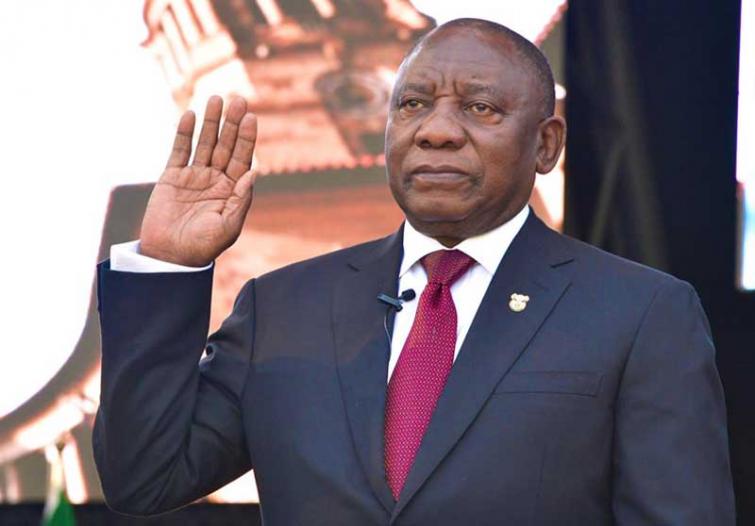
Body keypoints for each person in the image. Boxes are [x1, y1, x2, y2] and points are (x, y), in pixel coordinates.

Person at [94, 18, 735, 525]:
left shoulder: (640, 313)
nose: (436, 131)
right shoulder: (281, 308)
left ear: (546, 145)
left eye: (479, 108)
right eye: (412, 105)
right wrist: (169, 263)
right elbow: (145, 478)